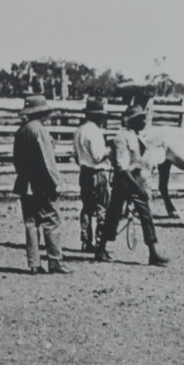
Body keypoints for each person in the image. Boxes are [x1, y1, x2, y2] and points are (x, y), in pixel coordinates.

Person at [94, 102, 169, 266]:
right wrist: (137, 188)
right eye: (140, 119)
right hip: (125, 180)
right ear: (131, 121)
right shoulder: (121, 138)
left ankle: (152, 250)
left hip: (135, 179)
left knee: (143, 214)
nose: (144, 122)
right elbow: (122, 166)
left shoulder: (136, 136)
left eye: (144, 118)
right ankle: (101, 247)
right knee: (115, 214)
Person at [13, 95, 70, 274]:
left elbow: (16, 160)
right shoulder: (40, 130)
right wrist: (56, 183)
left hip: (25, 183)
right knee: (52, 221)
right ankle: (55, 260)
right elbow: (48, 161)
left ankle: (34, 263)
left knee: (31, 222)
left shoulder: (21, 131)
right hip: (42, 184)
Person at [73, 97, 112, 252]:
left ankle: (86, 240)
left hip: (84, 172)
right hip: (98, 172)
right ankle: (100, 242)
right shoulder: (95, 132)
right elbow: (97, 156)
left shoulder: (79, 131)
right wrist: (110, 151)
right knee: (102, 207)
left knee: (87, 208)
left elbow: (76, 155)